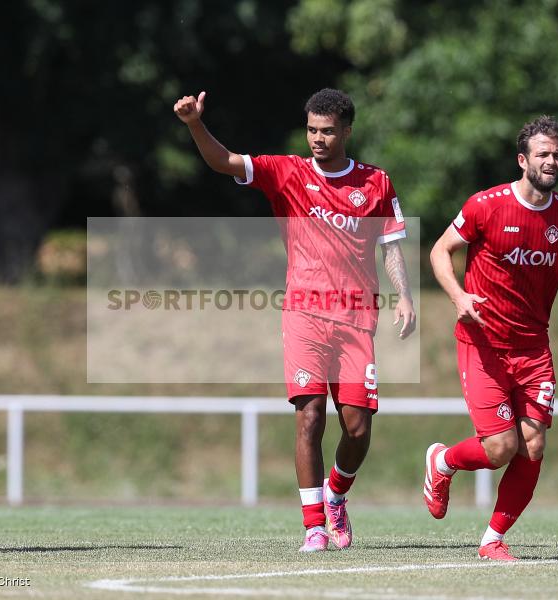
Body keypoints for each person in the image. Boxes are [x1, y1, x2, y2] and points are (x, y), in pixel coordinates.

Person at [174, 88, 416, 551]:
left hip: (356, 317)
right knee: (310, 418)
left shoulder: (376, 182)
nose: (318, 140)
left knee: (358, 429)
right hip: (304, 313)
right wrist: (194, 125)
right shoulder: (287, 172)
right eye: (311, 130)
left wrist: (404, 296)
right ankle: (313, 528)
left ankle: (337, 495)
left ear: (346, 131)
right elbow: (224, 161)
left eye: (327, 131)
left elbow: (391, 246)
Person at [425, 116, 558, 560]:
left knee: (533, 444)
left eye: (557, 155)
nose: (551, 161)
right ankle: (442, 462)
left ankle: (492, 540)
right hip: (483, 344)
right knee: (502, 446)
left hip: (534, 349)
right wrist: (459, 295)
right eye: (543, 154)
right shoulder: (485, 205)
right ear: (523, 159)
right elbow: (439, 250)